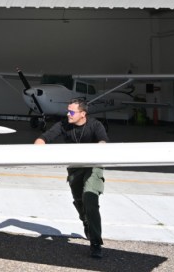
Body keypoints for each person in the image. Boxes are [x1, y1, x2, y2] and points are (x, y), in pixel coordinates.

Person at [34, 98, 109, 259]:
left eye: (72, 111)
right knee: (79, 200)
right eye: (68, 110)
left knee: (90, 197)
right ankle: (86, 221)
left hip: (93, 166)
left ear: (83, 114)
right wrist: (38, 146)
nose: (68, 114)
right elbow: (44, 138)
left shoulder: (95, 125)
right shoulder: (64, 125)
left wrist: (100, 147)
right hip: (75, 167)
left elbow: (103, 141)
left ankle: (95, 243)